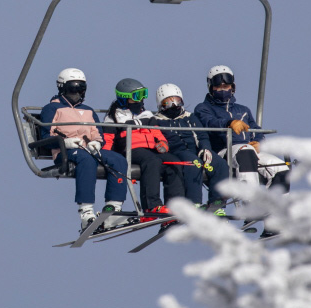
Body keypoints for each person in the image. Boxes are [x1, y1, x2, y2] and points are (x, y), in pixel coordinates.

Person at [39, 68, 130, 233]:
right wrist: (65, 143)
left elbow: (98, 132)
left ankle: (113, 208)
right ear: (62, 87)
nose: (77, 92)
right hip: (65, 152)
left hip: (88, 148)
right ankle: (86, 212)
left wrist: (96, 142)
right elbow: (46, 135)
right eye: (73, 87)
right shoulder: (52, 109)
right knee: (86, 161)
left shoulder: (88, 110)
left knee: (118, 160)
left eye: (81, 88)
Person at [194, 65, 290, 195]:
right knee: (245, 151)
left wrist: (259, 142)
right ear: (211, 88)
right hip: (223, 152)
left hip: (249, 150)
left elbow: (255, 129)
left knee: (279, 167)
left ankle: (277, 206)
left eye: (226, 86)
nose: (223, 90)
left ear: (232, 87)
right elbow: (209, 123)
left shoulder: (242, 110)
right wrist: (229, 123)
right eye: (219, 87)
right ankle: (250, 201)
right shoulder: (203, 108)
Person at [101, 78, 182, 220]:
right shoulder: (114, 117)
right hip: (131, 149)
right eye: (137, 96)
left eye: (144, 94)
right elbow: (108, 140)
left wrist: (163, 143)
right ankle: (151, 206)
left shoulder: (147, 114)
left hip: (152, 148)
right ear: (124, 98)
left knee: (173, 162)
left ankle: (174, 207)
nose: (142, 99)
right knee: (152, 161)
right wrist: (106, 158)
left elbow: (156, 132)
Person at [151, 83, 230, 212]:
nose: (174, 106)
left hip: (197, 149)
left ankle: (217, 203)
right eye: (168, 103)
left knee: (220, 164)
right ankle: (194, 203)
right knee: (193, 164)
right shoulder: (157, 121)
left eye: (177, 101)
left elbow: (202, 135)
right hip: (178, 151)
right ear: (161, 105)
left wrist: (205, 148)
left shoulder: (189, 117)